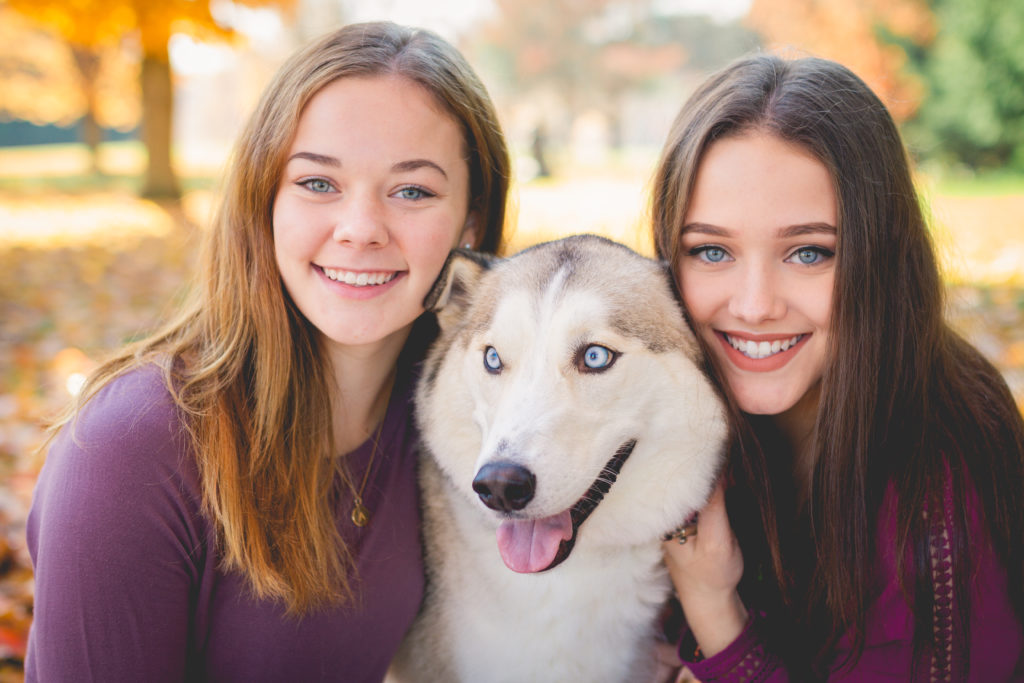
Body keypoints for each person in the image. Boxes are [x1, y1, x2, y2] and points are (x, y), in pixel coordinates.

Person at [25, 21, 509, 682]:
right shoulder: (132, 448)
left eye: (412, 191)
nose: (361, 229)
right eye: (317, 183)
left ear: (471, 222)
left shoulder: (461, 429)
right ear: (263, 199)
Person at [652, 54, 1024, 680]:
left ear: (879, 257)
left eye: (809, 253)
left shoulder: (939, 480)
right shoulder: (675, 413)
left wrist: (713, 608)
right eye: (711, 250)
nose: (754, 306)